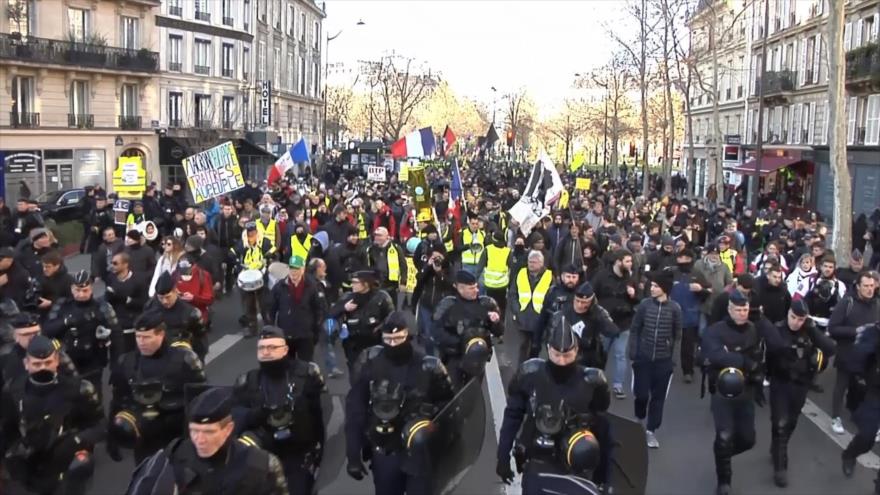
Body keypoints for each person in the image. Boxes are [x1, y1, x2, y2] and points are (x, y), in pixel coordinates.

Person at [344, 312, 455, 494]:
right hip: (386, 448)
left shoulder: (430, 367)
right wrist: (353, 453)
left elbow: (449, 408)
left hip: (420, 450)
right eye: (388, 339)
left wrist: (432, 419)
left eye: (398, 338)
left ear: (407, 336)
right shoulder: (370, 362)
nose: (393, 344)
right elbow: (356, 409)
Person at [496, 324, 612, 490]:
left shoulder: (593, 382)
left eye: (567, 355)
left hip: (576, 461)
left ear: (576, 350)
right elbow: (512, 417)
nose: (562, 361)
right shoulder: (530, 374)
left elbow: (603, 428)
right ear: (548, 349)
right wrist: (503, 456)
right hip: (538, 458)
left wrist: (604, 476)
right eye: (557, 355)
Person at [128, 387, 289, 494]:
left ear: (228, 429)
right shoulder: (174, 455)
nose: (200, 439)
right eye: (194, 431)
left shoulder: (262, 466)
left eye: (208, 432)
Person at [1, 335, 102, 494]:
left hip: (66, 467)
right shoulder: (13, 391)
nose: (43, 368)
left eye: (48, 362)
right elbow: (7, 430)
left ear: (56, 362)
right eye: (37, 364)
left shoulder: (79, 389)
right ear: (26, 364)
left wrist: (76, 440)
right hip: (29, 470)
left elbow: (100, 425)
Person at [233, 326, 326, 494]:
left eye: (272, 347)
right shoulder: (247, 381)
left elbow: (318, 415)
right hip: (263, 455)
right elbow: (236, 420)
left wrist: (319, 450)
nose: (266, 352)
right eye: (262, 348)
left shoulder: (306, 374)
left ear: (285, 350)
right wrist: (258, 414)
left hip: (298, 454)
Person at [107, 310, 206, 463]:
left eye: (146, 337)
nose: (141, 342)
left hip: (176, 436)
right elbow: (118, 400)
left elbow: (201, 401)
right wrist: (112, 436)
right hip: (144, 437)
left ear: (161, 334)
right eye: (138, 337)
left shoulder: (184, 360)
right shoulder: (127, 362)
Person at [701, 290, 770, 495]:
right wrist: (742, 360)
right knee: (724, 436)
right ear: (730, 309)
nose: (742, 313)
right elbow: (714, 355)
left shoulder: (752, 329)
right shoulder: (715, 331)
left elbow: (759, 355)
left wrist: (755, 370)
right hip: (723, 392)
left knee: (748, 439)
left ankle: (722, 455)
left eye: (745, 309)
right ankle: (724, 480)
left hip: (746, 390)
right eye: (738, 309)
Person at [764, 300, 836, 487]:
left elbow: (830, 349)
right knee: (779, 422)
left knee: (791, 422)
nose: (795, 322)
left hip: (801, 384)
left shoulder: (808, 330)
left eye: (800, 319)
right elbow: (768, 355)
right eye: (793, 317)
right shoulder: (777, 329)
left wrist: (811, 329)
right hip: (780, 382)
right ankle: (781, 468)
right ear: (788, 314)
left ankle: (777, 446)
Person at [43, 269, 119, 399]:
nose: (81, 294)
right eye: (77, 291)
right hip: (66, 361)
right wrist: (66, 322)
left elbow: (117, 336)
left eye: (85, 291)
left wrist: (116, 365)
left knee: (93, 398)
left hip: (93, 362)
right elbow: (47, 329)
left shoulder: (102, 307)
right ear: (72, 289)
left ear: (91, 288)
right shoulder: (62, 305)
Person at [628, 270, 681, 449]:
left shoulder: (675, 309)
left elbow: (678, 335)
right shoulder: (644, 305)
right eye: (652, 285)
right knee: (641, 395)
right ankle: (639, 417)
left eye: (656, 286)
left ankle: (651, 431)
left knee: (658, 398)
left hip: (663, 361)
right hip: (643, 358)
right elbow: (635, 328)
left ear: (665, 289)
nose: (652, 288)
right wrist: (633, 351)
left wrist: (672, 359)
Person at [829, 271, 880, 435]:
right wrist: (855, 331)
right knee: (841, 386)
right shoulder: (847, 302)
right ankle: (836, 417)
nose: (869, 289)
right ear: (858, 287)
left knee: (870, 389)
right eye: (866, 286)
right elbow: (833, 328)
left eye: (872, 286)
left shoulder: (877, 305)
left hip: (869, 356)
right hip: (848, 353)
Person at [433, 270, 504, 387]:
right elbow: (436, 331)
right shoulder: (448, 305)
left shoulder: (487, 304)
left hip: (477, 360)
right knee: (452, 391)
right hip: (454, 358)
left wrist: (496, 322)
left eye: (476, 287)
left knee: (472, 394)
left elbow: (500, 332)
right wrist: (459, 342)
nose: (476, 290)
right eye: (471, 288)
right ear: (460, 288)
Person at [328, 270, 395, 378]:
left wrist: (380, 328)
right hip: (353, 343)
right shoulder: (348, 297)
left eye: (355, 282)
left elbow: (391, 318)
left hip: (374, 341)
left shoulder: (382, 297)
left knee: (376, 374)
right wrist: (344, 308)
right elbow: (331, 314)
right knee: (356, 375)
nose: (352, 285)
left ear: (366, 284)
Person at [592, 249, 639, 399]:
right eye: (627, 261)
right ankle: (597, 381)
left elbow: (639, 299)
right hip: (605, 322)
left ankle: (618, 386)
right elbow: (593, 294)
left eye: (631, 261)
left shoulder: (631, 278)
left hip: (624, 323)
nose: (630, 264)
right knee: (601, 353)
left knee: (620, 355)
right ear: (618, 261)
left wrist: (634, 294)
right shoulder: (602, 276)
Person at [538, 281, 619, 367]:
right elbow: (551, 338)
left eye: (584, 302)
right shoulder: (564, 313)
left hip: (589, 358)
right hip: (567, 356)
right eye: (577, 301)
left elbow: (613, 331)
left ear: (591, 302)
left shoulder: (597, 313)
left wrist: (598, 317)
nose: (580, 305)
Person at [842, 318, 880, 492]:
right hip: (876, 392)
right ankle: (850, 453)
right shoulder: (874, 332)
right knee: (866, 436)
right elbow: (857, 357)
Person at [268, 255, 325, 361]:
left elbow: (319, 309)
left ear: (303, 269)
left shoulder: (312, 286)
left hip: (305, 335)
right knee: (287, 367)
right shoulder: (280, 287)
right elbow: (271, 308)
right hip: (286, 334)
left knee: (305, 367)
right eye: (291, 269)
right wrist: (271, 329)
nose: (294, 272)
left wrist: (316, 330)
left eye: (297, 269)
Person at [669, 249, 711, 382]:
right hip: (670, 313)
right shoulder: (671, 272)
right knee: (667, 342)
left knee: (687, 346)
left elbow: (709, 290)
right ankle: (665, 366)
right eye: (681, 257)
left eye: (687, 258)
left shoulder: (697, 273)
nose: (684, 260)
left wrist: (700, 290)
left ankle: (688, 371)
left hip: (690, 313)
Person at [145, 272, 208, 360]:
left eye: (168, 297)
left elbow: (201, 341)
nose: (164, 301)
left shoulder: (191, 313)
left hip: (181, 359)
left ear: (175, 291)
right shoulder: (150, 308)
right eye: (161, 298)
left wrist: (197, 361)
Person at [230, 221, 276, 337]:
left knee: (264, 304)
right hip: (247, 275)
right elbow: (231, 253)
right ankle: (252, 328)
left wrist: (269, 257)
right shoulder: (243, 242)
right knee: (248, 304)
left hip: (261, 274)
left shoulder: (264, 241)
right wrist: (237, 263)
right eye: (249, 232)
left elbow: (273, 250)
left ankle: (268, 328)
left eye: (253, 232)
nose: (251, 234)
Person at [510, 250, 554, 364]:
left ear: (541, 263)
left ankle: (533, 368)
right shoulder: (521, 273)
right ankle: (521, 370)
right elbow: (513, 294)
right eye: (529, 262)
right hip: (523, 317)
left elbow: (552, 298)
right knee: (523, 346)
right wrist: (516, 310)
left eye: (534, 262)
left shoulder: (549, 277)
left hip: (539, 318)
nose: (531, 264)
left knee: (535, 347)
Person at [104, 251, 150, 359]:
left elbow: (144, 303)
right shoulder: (110, 279)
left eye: (115, 263)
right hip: (117, 326)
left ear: (125, 264)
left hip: (133, 325)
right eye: (112, 263)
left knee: (133, 357)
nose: (112, 266)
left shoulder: (138, 280)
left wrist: (127, 300)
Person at [411, 244, 454, 356]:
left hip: (442, 307)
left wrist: (440, 272)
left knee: (442, 334)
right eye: (434, 257)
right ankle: (430, 356)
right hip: (427, 305)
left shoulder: (449, 268)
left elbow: (451, 285)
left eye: (438, 257)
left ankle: (443, 356)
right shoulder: (428, 269)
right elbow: (419, 279)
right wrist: (427, 267)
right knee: (429, 334)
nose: (436, 260)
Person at [366, 226, 407, 307]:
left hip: (391, 284)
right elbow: (369, 266)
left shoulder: (395, 248)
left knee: (390, 307)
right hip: (376, 284)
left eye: (379, 235)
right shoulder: (371, 249)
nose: (377, 237)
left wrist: (403, 282)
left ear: (386, 236)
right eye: (376, 235)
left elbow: (403, 266)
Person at [36, 249, 74, 317]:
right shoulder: (40, 278)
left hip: (61, 315)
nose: (44, 269)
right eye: (43, 266)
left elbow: (71, 299)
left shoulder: (68, 280)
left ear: (57, 266)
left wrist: (52, 303)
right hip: (42, 315)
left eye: (48, 267)